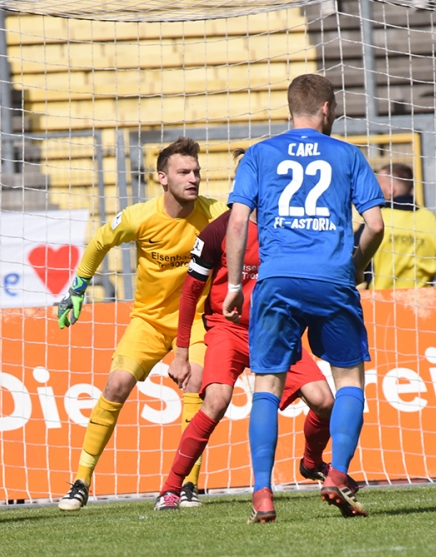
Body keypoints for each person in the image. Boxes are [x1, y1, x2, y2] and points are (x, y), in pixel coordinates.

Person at [223, 74, 385, 521]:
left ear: (291, 108)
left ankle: (262, 493)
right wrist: (355, 266)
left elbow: (237, 223)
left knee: (267, 386)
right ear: (327, 109)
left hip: (276, 280)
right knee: (348, 382)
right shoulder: (348, 155)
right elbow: (375, 225)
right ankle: (337, 475)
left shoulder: (258, 154)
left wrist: (235, 285)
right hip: (332, 280)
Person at [153, 183, 359, 518]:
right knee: (216, 400)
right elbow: (190, 292)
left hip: (276, 329)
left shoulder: (292, 229)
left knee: (325, 402)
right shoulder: (218, 230)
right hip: (228, 329)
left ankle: (311, 463)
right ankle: (171, 488)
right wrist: (181, 353)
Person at [56, 137, 226, 511]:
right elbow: (100, 242)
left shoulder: (215, 212)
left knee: (196, 382)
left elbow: (250, 228)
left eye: (196, 171)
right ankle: (81, 482)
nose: (193, 178)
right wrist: (78, 287)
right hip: (149, 321)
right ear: (162, 177)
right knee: (116, 384)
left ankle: (187, 485)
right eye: (184, 172)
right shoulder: (140, 217)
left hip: (197, 321)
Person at [356, 162, 436, 289]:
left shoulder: (377, 219)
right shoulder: (430, 219)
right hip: (422, 297)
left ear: (391, 189)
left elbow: (356, 259)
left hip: (382, 297)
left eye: (378, 185)